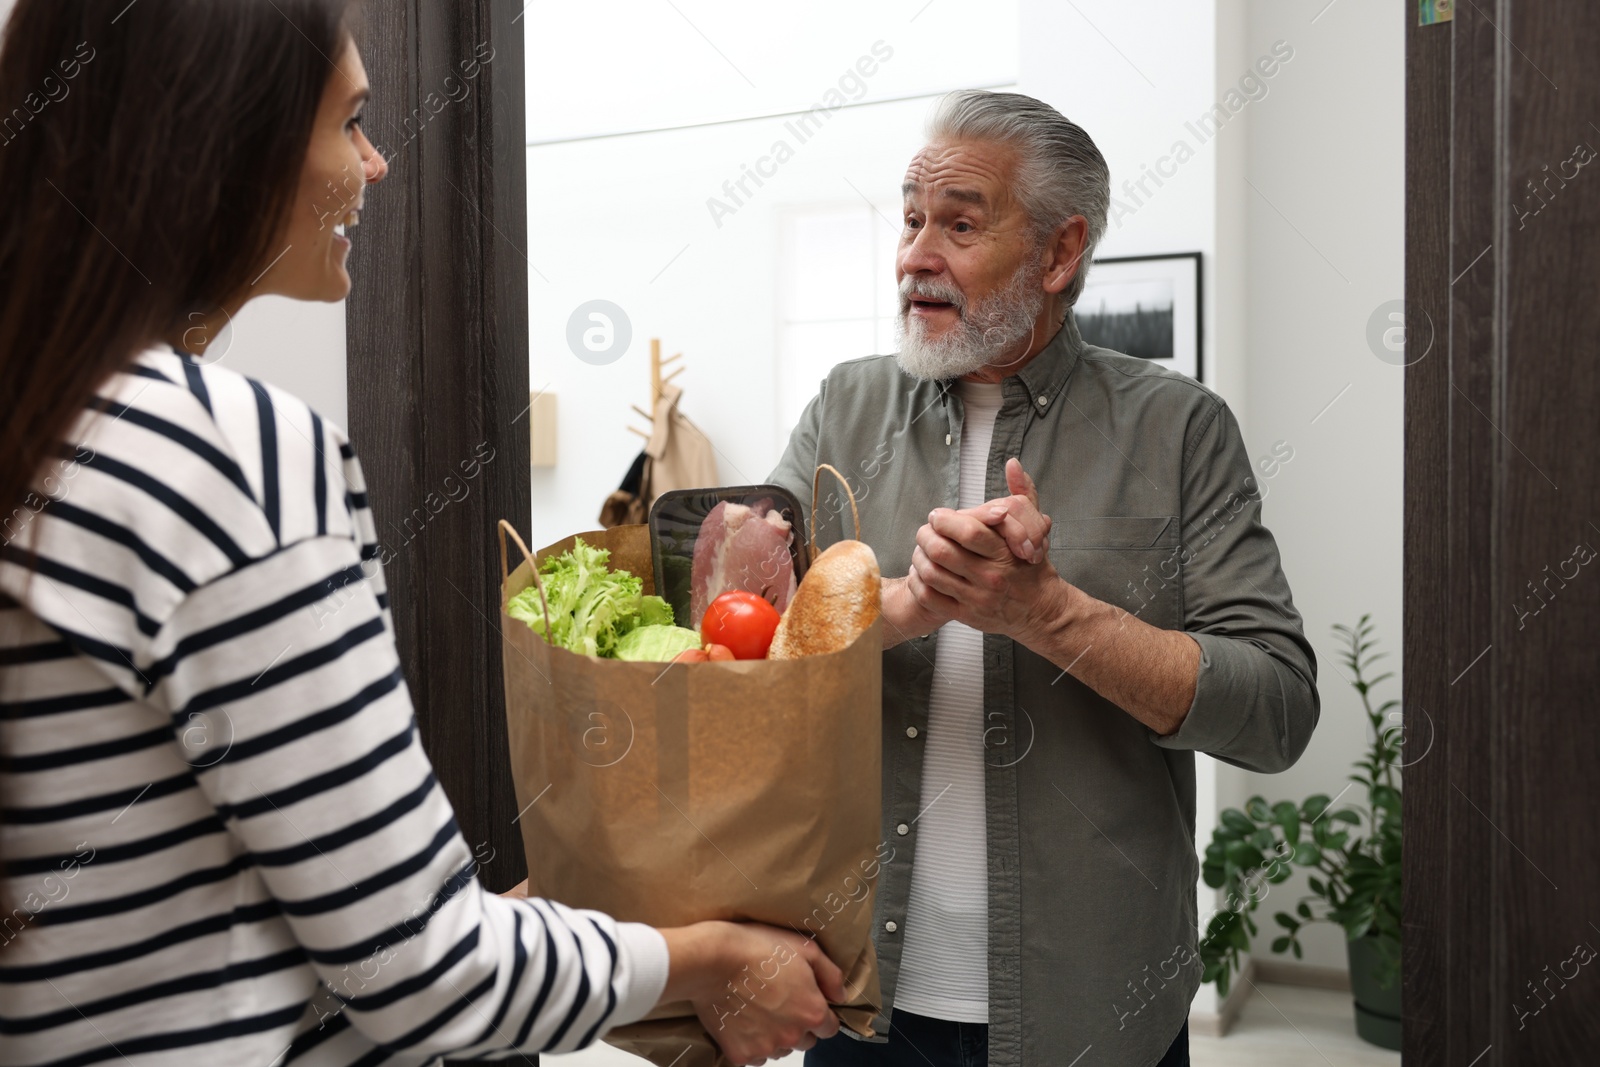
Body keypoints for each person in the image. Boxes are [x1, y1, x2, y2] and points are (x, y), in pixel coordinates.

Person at [0, 3, 841, 1065]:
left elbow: (196, 912)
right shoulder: (223, 449)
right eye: (349, 120)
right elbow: (423, 977)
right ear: (228, 134)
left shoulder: (49, 428)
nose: (378, 163)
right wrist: (705, 955)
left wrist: (518, 923)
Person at [769, 90, 1321, 1067]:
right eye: (908, 219)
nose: (912, 255)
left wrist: (1049, 614)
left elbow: (1275, 709)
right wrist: (900, 607)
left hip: (1095, 1009)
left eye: (959, 223)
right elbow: (743, 653)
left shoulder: (1179, 427)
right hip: (858, 998)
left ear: (1059, 252)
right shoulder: (843, 409)